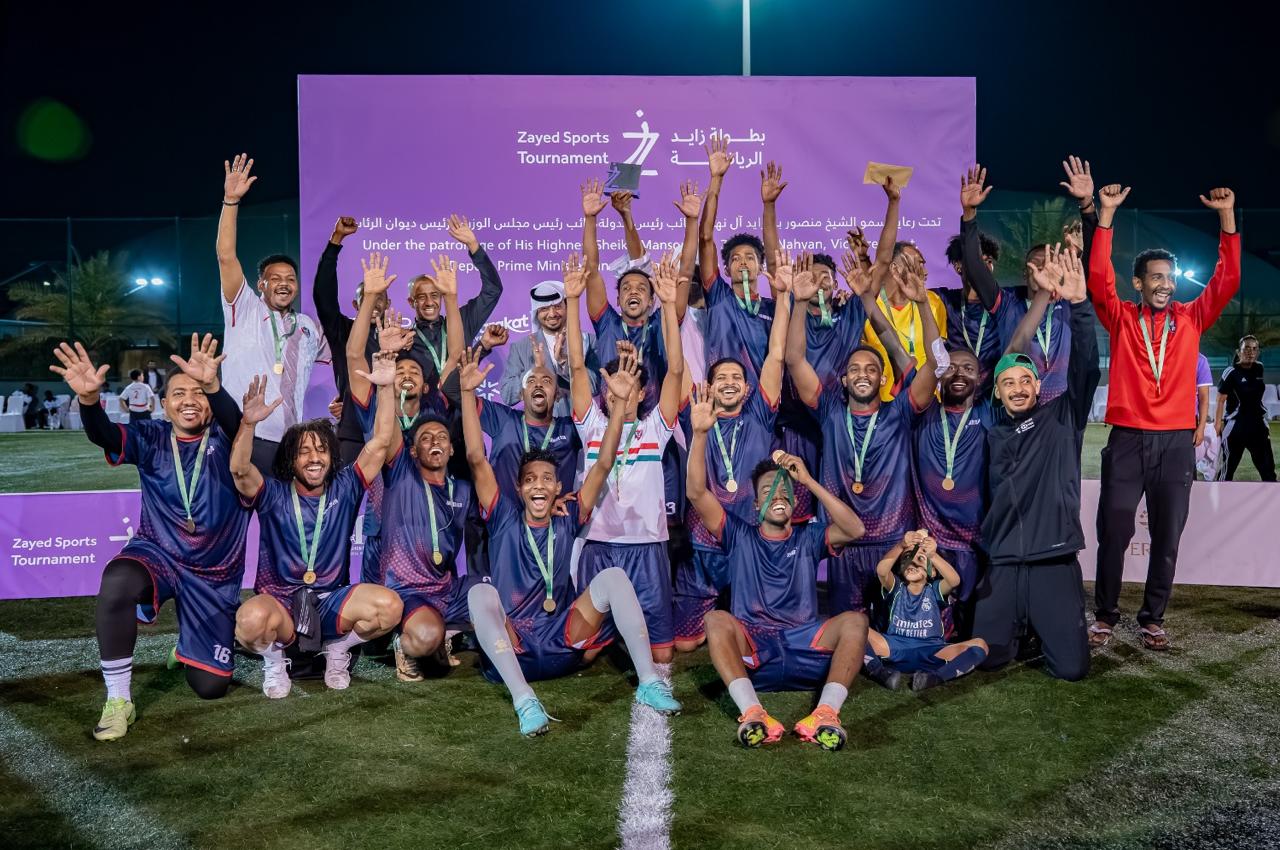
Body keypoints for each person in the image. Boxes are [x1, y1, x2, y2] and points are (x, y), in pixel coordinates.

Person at [459, 343, 680, 736]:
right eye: (530, 480)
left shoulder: (569, 515)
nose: (539, 486)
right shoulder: (503, 516)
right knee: (478, 594)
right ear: (518, 489)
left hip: (562, 641)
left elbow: (605, 462)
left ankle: (648, 682)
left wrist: (618, 406)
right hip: (515, 646)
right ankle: (525, 702)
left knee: (613, 578)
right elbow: (477, 458)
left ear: (558, 487)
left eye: (547, 479)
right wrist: (466, 393)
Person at [51, 335, 248, 740]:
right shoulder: (152, 436)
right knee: (117, 581)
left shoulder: (230, 436)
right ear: (164, 403)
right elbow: (106, 435)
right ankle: (119, 699)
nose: (189, 400)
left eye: (199, 393)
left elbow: (235, 418)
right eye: (179, 393)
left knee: (209, 687)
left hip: (212, 574)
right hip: (158, 552)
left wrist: (213, 385)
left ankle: (186, 647)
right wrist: (89, 400)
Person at [1089, 183, 1240, 650]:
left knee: (1167, 535)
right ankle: (1105, 614)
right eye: (1155, 277)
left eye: (1169, 277)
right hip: (1128, 440)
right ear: (1139, 283)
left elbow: (1227, 280)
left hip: (1175, 443)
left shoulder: (1191, 318)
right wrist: (1106, 215)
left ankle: (1152, 617)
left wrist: (1227, 217)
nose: (1164, 284)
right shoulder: (1121, 318)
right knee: (1113, 531)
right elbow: (1098, 277)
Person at [229, 360, 403, 698]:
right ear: (290, 459)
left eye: (322, 450)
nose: (314, 458)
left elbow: (381, 442)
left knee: (390, 607)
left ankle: (338, 648)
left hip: (330, 601)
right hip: (281, 601)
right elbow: (239, 470)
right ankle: (275, 661)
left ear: (331, 456)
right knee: (249, 622)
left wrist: (385, 388)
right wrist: (248, 424)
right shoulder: (273, 492)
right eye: (304, 451)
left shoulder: (346, 486)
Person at [686, 432, 869, 751]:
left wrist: (808, 481)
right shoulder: (738, 535)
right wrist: (700, 433)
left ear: (795, 502)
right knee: (715, 620)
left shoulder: (809, 537)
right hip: (755, 655)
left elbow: (856, 529)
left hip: (806, 650)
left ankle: (825, 714)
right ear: (756, 504)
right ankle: (753, 713)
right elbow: (696, 492)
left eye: (785, 491)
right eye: (768, 491)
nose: (778, 496)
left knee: (855, 621)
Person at [786, 246, 941, 616]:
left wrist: (922, 304)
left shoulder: (900, 411)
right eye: (854, 369)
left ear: (883, 379)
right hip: (846, 540)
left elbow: (938, 364)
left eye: (871, 369)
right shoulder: (829, 411)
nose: (862, 374)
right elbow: (794, 359)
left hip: (893, 541)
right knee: (851, 630)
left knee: (895, 628)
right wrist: (799, 303)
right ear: (843, 379)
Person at [971, 247, 1098, 680]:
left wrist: (1079, 305)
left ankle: (1043, 626)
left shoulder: (1062, 417)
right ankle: (1019, 630)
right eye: (1008, 382)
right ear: (998, 392)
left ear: (1039, 386)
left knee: (1071, 670)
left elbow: (1086, 367)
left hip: (1052, 561)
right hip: (1003, 561)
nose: (1018, 388)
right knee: (988, 660)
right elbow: (1013, 346)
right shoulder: (990, 426)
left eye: (1026, 380)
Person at [568, 250, 685, 663]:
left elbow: (675, 372)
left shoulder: (655, 428)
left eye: (630, 384)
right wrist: (572, 301)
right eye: (614, 383)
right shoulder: (592, 426)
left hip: (647, 546)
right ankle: (611, 635)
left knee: (663, 656)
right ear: (605, 391)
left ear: (642, 391)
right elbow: (577, 368)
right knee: (580, 653)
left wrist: (668, 305)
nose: (622, 390)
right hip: (599, 545)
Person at [675, 246, 790, 652]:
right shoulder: (697, 410)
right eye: (720, 377)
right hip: (703, 538)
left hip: (749, 540)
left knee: (755, 638)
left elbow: (776, 355)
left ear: (746, 388)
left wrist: (783, 298)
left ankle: (738, 612)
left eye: (736, 378)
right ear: (710, 384)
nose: (728, 382)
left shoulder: (759, 412)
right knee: (684, 646)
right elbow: (676, 364)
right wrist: (669, 308)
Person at [217, 153, 331, 476]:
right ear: (260, 285)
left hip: (290, 443)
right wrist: (230, 201)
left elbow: (345, 352)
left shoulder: (307, 327)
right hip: (243, 434)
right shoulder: (245, 308)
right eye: (275, 278)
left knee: (284, 509)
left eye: (290, 279)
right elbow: (226, 257)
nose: (284, 284)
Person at [959, 165, 1075, 405]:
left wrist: (1089, 209)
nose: (1043, 268)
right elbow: (975, 269)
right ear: (1025, 272)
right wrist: (969, 215)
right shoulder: (1007, 303)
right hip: (1016, 404)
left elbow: (1095, 269)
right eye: (1036, 263)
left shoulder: (1070, 303)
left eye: (1049, 263)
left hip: (1059, 410)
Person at [863, 530, 988, 691]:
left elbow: (954, 580)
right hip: (894, 648)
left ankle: (932, 678)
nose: (912, 562)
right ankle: (880, 672)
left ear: (932, 571)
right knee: (857, 630)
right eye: (907, 558)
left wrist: (933, 555)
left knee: (980, 645)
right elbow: (881, 570)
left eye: (920, 559)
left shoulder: (935, 590)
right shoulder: (896, 587)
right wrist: (901, 545)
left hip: (932, 651)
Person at [697, 137, 777, 383]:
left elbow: (775, 260)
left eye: (750, 258)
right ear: (726, 269)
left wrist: (769, 206)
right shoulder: (719, 297)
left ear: (760, 267)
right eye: (736, 258)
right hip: (722, 395)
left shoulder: (773, 308)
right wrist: (716, 179)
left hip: (763, 402)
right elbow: (705, 237)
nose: (743, 262)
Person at [312, 215, 387, 465]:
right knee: (348, 490)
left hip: (393, 429)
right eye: (367, 296)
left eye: (379, 296)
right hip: (352, 431)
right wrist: (336, 242)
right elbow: (323, 295)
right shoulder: (342, 330)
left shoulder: (400, 338)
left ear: (388, 303)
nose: (374, 302)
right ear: (356, 304)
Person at [583, 181, 669, 389]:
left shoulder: (662, 322)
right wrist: (590, 219)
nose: (633, 292)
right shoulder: (607, 324)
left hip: (657, 410)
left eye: (641, 289)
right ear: (618, 299)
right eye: (626, 288)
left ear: (652, 300)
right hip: (611, 409)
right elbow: (591, 271)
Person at [406, 214, 503, 389]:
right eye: (421, 297)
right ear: (411, 302)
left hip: (462, 405)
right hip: (421, 406)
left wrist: (474, 247)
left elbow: (493, 290)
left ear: (442, 296)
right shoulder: (405, 340)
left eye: (435, 295)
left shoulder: (462, 321)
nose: (429, 302)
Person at [499, 280, 600, 418]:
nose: (552, 314)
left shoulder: (588, 341)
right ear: (536, 312)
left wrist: (565, 363)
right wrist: (534, 370)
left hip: (578, 425)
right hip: (538, 427)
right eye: (544, 308)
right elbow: (507, 395)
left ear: (567, 307)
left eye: (557, 306)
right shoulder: (521, 347)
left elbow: (594, 387)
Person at [1216, 335, 1276, 481]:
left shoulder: (1259, 368)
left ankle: (1272, 496)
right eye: (1247, 348)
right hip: (1236, 425)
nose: (1251, 352)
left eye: (1254, 349)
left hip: (1258, 425)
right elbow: (1220, 400)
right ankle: (1219, 494)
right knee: (1227, 471)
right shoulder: (1230, 372)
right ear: (1239, 352)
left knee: (1268, 472)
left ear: (1258, 352)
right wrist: (1217, 425)